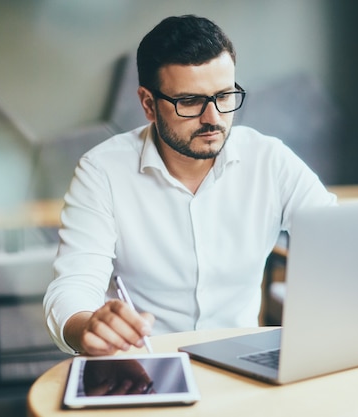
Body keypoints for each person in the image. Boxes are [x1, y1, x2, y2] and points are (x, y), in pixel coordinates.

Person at [44, 14, 336, 356]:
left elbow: (337, 244)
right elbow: (73, 285)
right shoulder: (102, 171)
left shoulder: (269, 160)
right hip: (144, 364)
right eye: (190, 102)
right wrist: (87, 326)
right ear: (149, 104)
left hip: (243, 364)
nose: (213, 118)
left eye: (224, 96)